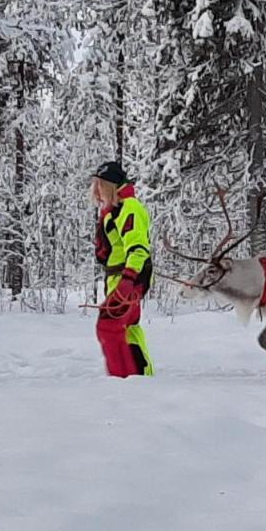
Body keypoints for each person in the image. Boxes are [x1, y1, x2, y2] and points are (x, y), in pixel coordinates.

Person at [91, 161, 154, 377]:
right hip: (118, 279)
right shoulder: (114, 211)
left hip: (128, 279)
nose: (97, 190)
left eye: (101, 185)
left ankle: (127, 378)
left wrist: (128, 280)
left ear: (111, 185)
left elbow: (138, 248)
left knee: (109, 326)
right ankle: (141, 376)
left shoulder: (129, 208)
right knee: (128, 329)